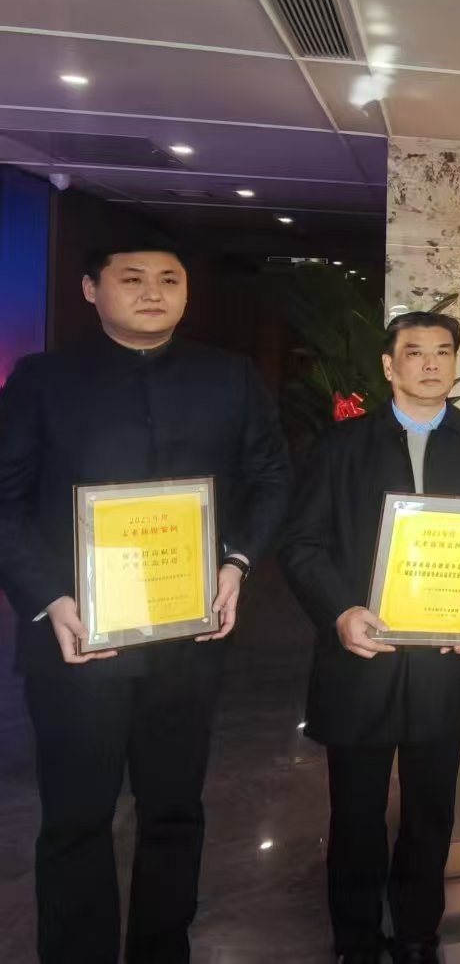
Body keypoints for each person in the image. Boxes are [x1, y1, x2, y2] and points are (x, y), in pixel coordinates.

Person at [0, 241, 290, 964]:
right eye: (132, 279)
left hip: (187, 639)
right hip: (77, 639)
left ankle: (163, 949)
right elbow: (4, 497)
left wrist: (237, 561)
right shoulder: (43, 380)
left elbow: (271, 478)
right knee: (76, 817)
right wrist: (49, 597)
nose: (153, 292)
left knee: (175, 810)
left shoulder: (230, 377)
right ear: (91, 289)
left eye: (169, 279)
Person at [278, 311, 460, 964]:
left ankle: (417, 932)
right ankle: (355, 938)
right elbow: (301, 544)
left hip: (441, 660)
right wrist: (339, 612)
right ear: (389, 365)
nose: (431, 363)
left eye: (443, 351)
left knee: (431, 809)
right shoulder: (340, 445)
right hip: (361, 658)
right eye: (414, 352)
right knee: (356, 813)